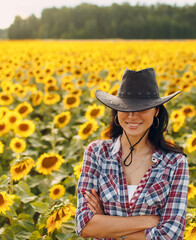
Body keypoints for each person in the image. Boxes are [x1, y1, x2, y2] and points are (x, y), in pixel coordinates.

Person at [75, 67, 189, 240]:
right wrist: (151, 220)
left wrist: (107, 226)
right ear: (117, 110)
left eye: (143, 108)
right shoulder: (97, 153)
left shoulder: (174, 162)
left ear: (156, 111)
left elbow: (171, 234)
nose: (133, 115)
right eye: (126, 107)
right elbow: (84, 225)